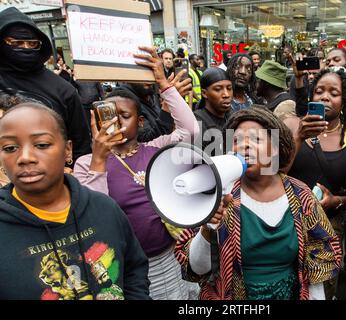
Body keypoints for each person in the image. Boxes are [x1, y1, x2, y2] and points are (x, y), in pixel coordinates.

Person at [73, 46, 200, 300]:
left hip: (166, 259)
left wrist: (164, 84)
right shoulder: (86, 163)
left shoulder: (156, 149)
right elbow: (93, 217)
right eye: (107, 116)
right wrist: (99, 157)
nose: (115, 122)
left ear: (140, 122)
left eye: (124, 116)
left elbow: (190, 130)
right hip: (122, 265)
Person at [175, 107, 341, 300]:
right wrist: (208, 227)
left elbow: (321, 254)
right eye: (236, 140)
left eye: (256, 139)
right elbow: (197, 268)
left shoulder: (300, 194)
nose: (244, 146)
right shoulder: (217, 195)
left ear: (276, 148)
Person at [0, 102, 149, 300]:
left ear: (68, 150)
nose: (25, 157)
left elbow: (134, 272)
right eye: (10, 148)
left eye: (42, 144)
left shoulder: (105, 208)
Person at [287, 67, 346, 298]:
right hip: (286, 225)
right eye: (319, 91)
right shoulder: (290, 125)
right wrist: (299, 136)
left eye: (333, 93)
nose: (325, 97)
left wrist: (337, 201)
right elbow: (270, 173)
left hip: (328, 232)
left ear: (344, 99)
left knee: (323, 291)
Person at [0, 7, 91, 164]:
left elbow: (81, 148)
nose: (26, 48)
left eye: (32, 44)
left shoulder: (63, 90)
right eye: (16, 43)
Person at [194, 68, 233, 154]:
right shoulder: (197, 124)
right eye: (218, 89)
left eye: (229, 88)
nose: (226, 94)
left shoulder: (233, 117)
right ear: (204, 93)